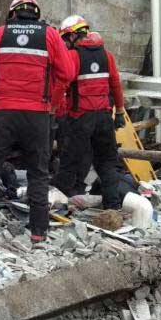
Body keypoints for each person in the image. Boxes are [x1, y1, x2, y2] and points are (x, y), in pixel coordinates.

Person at [0, 0, 74, 243]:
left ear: (13, 13)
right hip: (37, 114)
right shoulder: (49, 35)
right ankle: (38, 230)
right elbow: (67, 72)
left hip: (3, 111)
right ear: (36, 13)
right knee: (38, 171)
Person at [51, 32, 126, 210]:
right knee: (107, 163)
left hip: (79, 118)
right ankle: (112, 206)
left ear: (73, 37)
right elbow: (115, 85)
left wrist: (52, 108)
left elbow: (62, 84)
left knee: (69, 161)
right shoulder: (107, 56)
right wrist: (120, 111)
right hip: (104, 117)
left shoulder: (73, 56)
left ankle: (56, 202)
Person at [50, 14, 93, 195]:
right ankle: (67, 186)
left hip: (66, 112)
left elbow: (63, 84)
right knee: (68, 151)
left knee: (70, 151)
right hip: (63, 111)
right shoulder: (71, 54)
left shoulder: (74, 55)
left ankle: (68, 187)